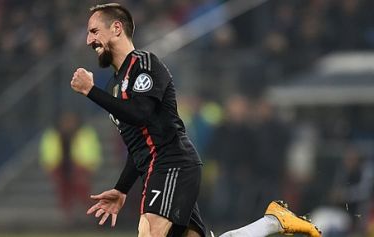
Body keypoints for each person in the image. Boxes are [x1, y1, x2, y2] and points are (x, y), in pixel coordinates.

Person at [70, 3, 321, 237]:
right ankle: (273, 221)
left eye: (94, 31)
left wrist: (91, 91)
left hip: (172, 164)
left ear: (116, 28)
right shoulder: (115, 86)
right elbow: (138, 145)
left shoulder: (145, 64)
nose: (89, 39)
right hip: (156, 169)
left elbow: (140, 113)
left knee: (148, 232)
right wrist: (122, 188)